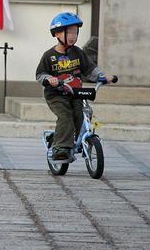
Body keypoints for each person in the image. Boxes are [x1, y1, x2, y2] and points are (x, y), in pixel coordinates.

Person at [35, 12, 115, 160]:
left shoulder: (78, 52)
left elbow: (90, 69)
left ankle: (81, 141)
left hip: (76, 92)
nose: (72, 35)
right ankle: (61, 148)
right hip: (56, 95)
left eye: (75, 32)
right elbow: (40, 74)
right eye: (68, 32)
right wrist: (50, 79)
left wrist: (102, 77)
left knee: (83, 114)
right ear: (57, 33)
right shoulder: (49, 56)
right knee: (66, 116)